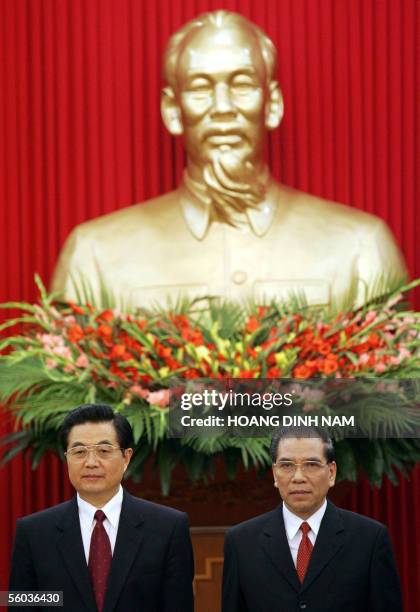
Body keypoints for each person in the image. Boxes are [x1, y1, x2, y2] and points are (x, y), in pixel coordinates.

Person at [51, 10, 406, 310]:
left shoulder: (360, 247)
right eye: (201, 88)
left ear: (273, 104)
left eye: (242, 84)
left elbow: (392, 390)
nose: (223, 108)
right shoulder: (94, 254)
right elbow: (64, 389)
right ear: (172, 110)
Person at [9, 404, 194, 612]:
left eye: (104, 451)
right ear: (66, 458)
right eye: (79, 452)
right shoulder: (33, 532)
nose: (91, 462)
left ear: (126, 457)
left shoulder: (168, 528)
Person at [222, 426, 402, 611]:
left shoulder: (369, 539)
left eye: (311, 464)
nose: (298, 477)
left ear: (331, 473)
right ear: (275, 474)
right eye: (287, 465)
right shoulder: (241, 542)